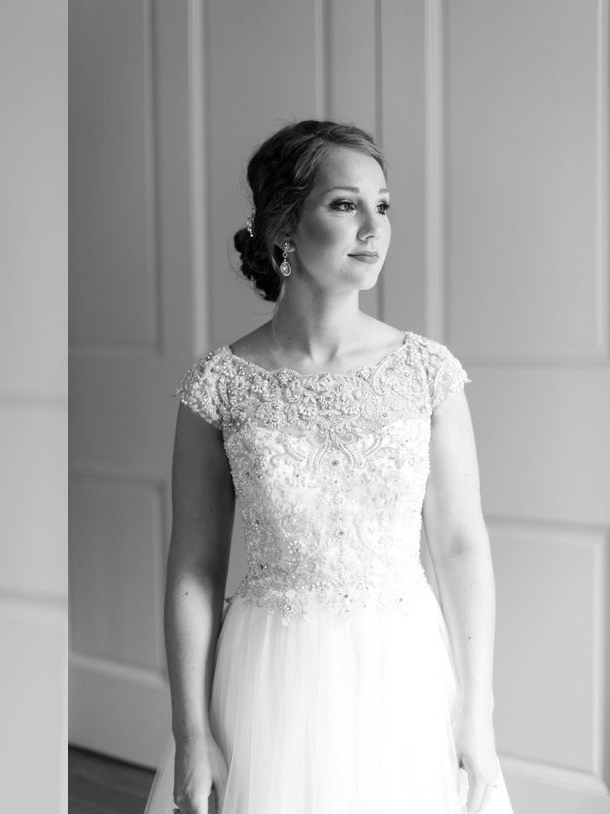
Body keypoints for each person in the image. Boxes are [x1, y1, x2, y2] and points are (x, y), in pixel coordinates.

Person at [145, 121, 512, 814]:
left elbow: (462, 545)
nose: (374, 228)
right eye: (346, 204)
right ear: (284, 226)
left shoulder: (427, 374)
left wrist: (477, 709)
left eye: (384, 206)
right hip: (267, 681)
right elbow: (193, 568)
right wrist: (190, 730)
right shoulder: (219, 387)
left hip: (403, 676)